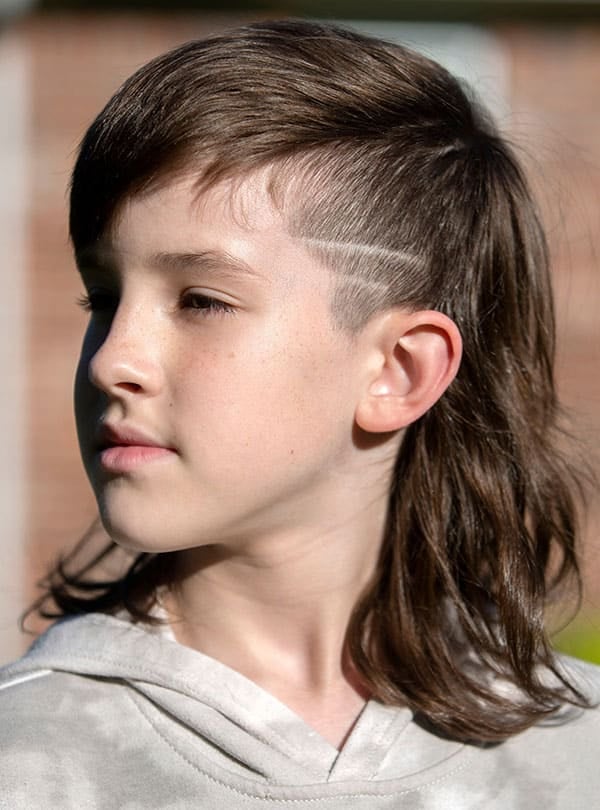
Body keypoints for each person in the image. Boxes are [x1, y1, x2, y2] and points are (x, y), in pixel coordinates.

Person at [1, 19, 598, 808]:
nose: (114, 359)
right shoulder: (31, 758)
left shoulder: (574, 755)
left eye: (201, 300)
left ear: (398, 370)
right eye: (104, 298)